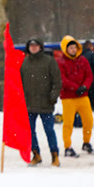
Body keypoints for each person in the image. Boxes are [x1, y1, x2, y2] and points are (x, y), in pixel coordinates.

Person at [19, 36, 62, 165]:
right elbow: (18, 82)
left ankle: (54, 155)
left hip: (46, 103)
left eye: (36, 46)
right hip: (29, 104)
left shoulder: (49, 61)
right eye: (31, 46)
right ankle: (35, 154)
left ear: (40, 47)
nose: (33, 48)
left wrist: (53, 97)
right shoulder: (24, 62)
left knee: (49, 131)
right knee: (30, 132)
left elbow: (57, 81)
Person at [56, 36, 94, 158]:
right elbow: (62, 79)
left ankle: (86, 142)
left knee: (89, 120)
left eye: (74, 47)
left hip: (83, 96)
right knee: (68, 123)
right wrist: (76, 87)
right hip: (68, 97)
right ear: (65, 49)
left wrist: (84, 86)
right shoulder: (60, 61)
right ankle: (67, 147)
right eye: (70, 48)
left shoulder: (83, 60)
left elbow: (89, 75)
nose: (73, 50)